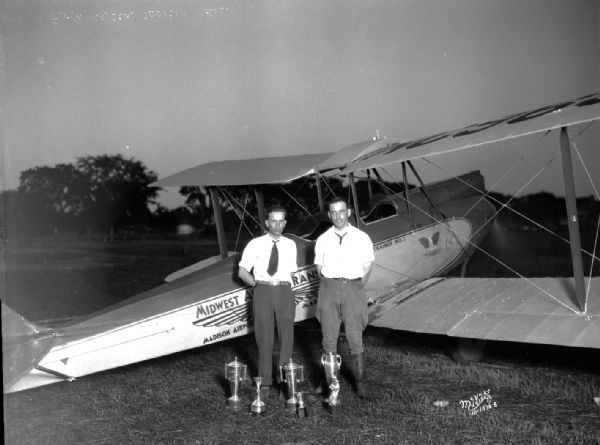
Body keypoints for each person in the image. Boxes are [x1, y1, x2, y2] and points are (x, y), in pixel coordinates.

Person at [314, 197, 374, 398]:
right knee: (328, 338)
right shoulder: (323, 239)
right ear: (329, 215)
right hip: (329, 287)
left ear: (348, 212)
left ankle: (360, 383)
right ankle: (330, 383)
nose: (338, 216)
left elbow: (367, 267)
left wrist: (356, 288)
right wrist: (333, 284)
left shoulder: (362, 237)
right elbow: (319, 268)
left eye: (341, 211)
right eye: (333, 212)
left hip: (353, 287)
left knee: (355, 337)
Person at [238, 206, 298, 399]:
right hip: (263, 290)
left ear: (285, 223)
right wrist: (258, 285)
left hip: (284, 290)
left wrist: (280, 287)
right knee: (264, 338)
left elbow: (291, 272)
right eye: (273, 221)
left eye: (281, 221)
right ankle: (264, 382)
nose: (277, 225)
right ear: (266, 223)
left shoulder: (290, 244)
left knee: (286, 337)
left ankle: (285, 382)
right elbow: (242, 271)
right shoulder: (255, 244)